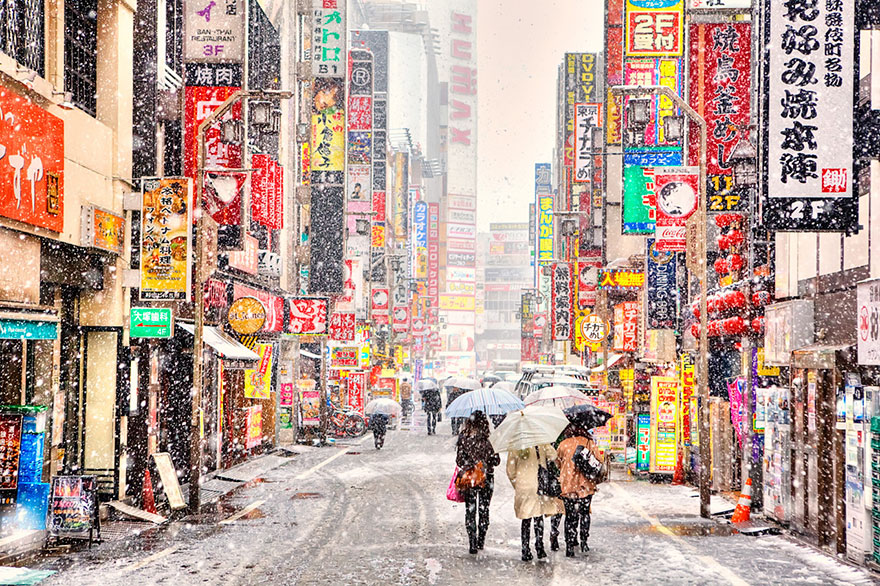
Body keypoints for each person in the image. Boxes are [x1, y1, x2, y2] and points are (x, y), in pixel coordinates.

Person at [506, 443, 562, 561]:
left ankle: (525, 549)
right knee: (538, 516)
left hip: (523, 486)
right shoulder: (539, 441)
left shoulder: (516, 444)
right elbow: (553, 455)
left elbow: (510, 471)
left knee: (526, 518)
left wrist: (517, 484)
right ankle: (539, 547)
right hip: (539, 484)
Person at [456, 411, 500, 554]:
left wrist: (470, 463)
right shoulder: (489, 438)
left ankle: (472, 542)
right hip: (486, 477)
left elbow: (459, 460)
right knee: (484, 509)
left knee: (470, 510)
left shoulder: (464, 437)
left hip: (469, 478)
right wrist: (485, 462)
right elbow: (496, 461)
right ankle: (481, 539)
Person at [556, 427, 605, 556]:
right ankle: (584, 541)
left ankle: (569, 546)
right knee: (584, 513)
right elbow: (599, 462)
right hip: (586, 485)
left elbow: (557, 463)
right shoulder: (589, 443)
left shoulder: (563, 444)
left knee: (570, 516)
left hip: (568, 486)